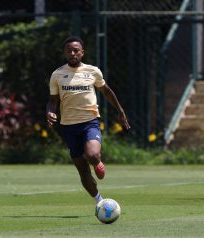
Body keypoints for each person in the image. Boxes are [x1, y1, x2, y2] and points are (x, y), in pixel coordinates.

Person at [46, 36, 130, 204]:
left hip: (89, 122)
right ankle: (100, 202)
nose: (72, 53)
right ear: (65, 53)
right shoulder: (57, 74)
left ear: (82, 52)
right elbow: (52, 101)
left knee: (92, 155)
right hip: (68, 127)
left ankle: (97, 162)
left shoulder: (93, 71)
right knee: (83, 172)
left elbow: (107, 91)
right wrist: (49, 112)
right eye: (69, 50)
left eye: (76, 50)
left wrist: (120, 111)